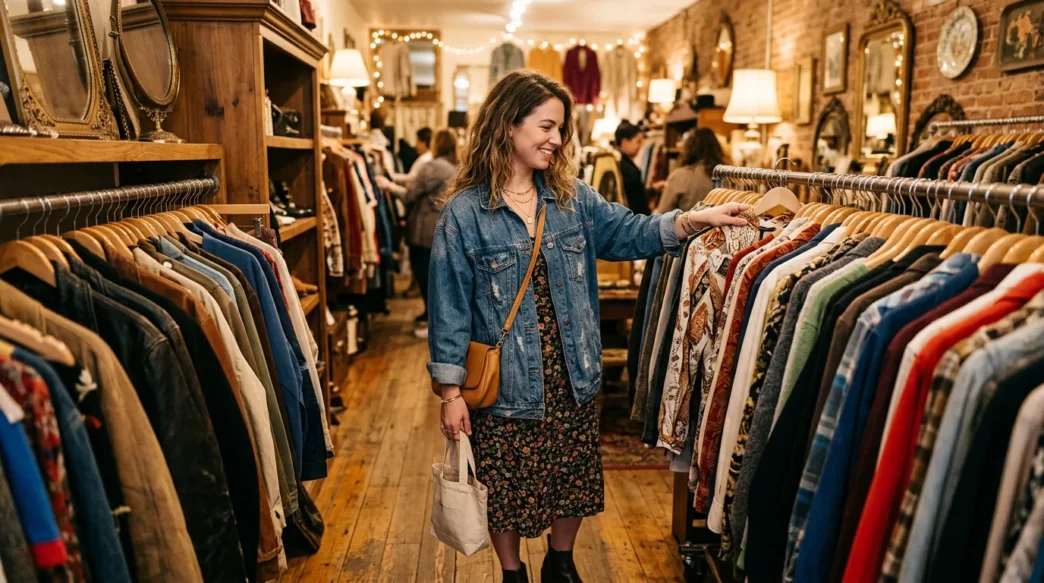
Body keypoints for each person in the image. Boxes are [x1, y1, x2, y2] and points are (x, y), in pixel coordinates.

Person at [428, 69, 748, 583]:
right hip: (506, 378)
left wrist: (694, 220)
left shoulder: (573, 198)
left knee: (570, 475)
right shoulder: (465, 213)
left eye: (561, 130)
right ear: (509, 125)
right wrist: (450, 394)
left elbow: (632, 231)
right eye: (547, 127)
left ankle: (561, 562)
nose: (557, 140)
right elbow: (448, 308)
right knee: (505, 482)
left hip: (571, 373)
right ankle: (513, 573)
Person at [402, 129, 458, 338]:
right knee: (437, 277)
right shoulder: (456, 167)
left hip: (424, 229)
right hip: (444, 227)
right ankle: (430, 318)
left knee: (424, 275)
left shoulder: (432, 167)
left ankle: (430, 322)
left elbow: (410, 194)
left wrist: (389, 186)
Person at [655, 127, 725, 213]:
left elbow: (663, 214)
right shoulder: (726, 177)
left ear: (688, 148)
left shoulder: (679, 176)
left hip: (685, 225)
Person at [615, 121, 665, 213]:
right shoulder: (624, 167)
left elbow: (635, 193)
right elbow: (635, 200)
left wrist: (653, 189)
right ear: (625, 142)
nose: (640, 146)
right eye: (637, 141)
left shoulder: (620, 163)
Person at [378, 127, 434, 197]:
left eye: (417, 141)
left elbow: (412, 178)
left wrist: (392, 176)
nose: (416, 145)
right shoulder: (427, 157)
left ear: (424, 142)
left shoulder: (425, 159)